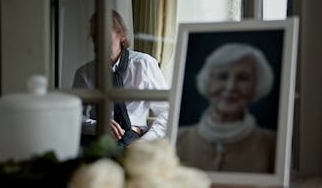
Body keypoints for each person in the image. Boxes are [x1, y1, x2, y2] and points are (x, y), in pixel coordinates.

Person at [73, 10, 169, 148]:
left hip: (133, 139)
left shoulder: (144, 64)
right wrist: (98, 125)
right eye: (94, 36)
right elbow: (73, 118)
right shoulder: (84, 73)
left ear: (121, 34)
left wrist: (145, 141)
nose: (97, 40)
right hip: (96, 139)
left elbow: (167, 111)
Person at [177, 43, 276, 173]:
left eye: (243, 78)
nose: (230, 87)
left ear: (257, 86)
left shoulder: (273, 144)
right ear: (208, 82)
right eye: (222, 76)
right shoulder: (177, 138)